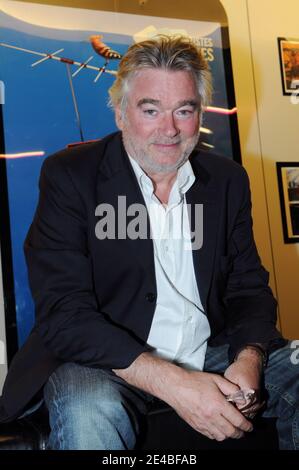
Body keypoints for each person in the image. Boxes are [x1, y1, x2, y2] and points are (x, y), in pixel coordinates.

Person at [0, 35, 297, 450]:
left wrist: (249, 357)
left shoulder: (226, 181)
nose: (169, 129)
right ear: (121, 113)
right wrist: (176, 385)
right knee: (91, 407)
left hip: (206, 349)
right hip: (100, 361)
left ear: (199, 113)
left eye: (184, 110)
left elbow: (248, 288)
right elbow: (64, 313)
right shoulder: (71, 176)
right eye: (150, 109)